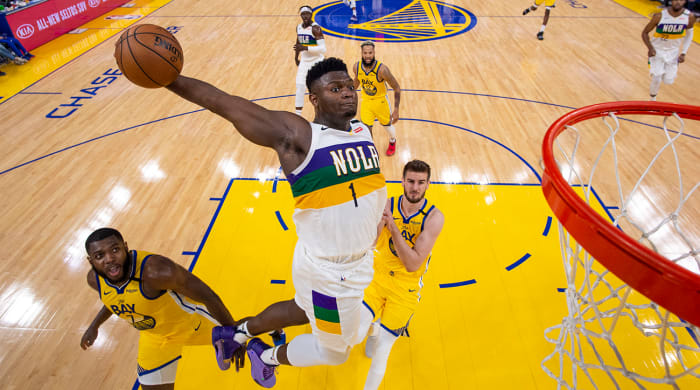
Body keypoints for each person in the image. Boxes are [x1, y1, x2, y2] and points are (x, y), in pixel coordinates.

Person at [130, 57, 387, 388]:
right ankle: (264, 356)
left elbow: (368, 188)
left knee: (301, 308)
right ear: (314, 99)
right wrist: (168, 78)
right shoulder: (298, 135)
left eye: (350, 87)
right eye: (336, 89)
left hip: (340, 261)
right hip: (332, 275)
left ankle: (234, 333)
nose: (349, 93)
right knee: (335, 351)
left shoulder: (362, 131)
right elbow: (224, 104)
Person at [80, 228, 244, 389]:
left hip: (193, 324)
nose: (109, 259)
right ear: (91, 261)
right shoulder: (95, 280)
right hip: (155, 338)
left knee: (249, 332)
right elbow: (116, 299)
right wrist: (94, 325)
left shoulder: (157, 271)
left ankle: (252, 336)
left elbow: (208, 296)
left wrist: (235, 335)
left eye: (115, 250)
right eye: (100, 256)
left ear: (126, 247)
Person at [362, 160, 444, 390]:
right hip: (377, 277)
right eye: (410, 181)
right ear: (402, 181)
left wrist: (394, 228)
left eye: (420, 182)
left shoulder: (434, 218)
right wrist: (376, 220)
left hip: (405, 289)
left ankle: (377, 327)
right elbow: (370, 243)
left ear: (428, 184)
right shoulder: (387, 204)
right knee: (354, 332)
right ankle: (373, 326)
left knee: (381, 352)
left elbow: (413, 264)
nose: (415, 187)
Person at [352, 41, 401, 156]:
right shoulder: (356, 67)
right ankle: (371, 150)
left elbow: (397, 87)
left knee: (387, 126)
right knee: (366, 128)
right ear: (361, 53)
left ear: (374, 53)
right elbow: (357, 80)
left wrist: (396, 109)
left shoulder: (382, 70)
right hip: (366, 102)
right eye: (365, 53)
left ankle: (392, 140)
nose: (368, 56)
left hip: (381, 102)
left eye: (370, 53)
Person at [642, 0, 696, 101]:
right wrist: (650, 48)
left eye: (681, 0)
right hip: (657, 50)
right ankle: (652, 99)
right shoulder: (659, 16)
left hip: (673, 52)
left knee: (668, 80)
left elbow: (689, 35)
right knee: (657, 76)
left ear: (685, 1)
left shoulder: (689, 17)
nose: (678, 2)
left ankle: (663, 72)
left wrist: (684, 52)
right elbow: (644, 33)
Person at [294, 5, 326, 116]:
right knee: (300, 86)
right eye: (303, 14)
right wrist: (296, 57)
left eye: (307, 13)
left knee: (318, 90)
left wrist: (305, 48)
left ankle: (323, 115)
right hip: (304, 61)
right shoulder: (299, 27)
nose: (305, 16)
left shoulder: (315, 28)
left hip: (317, 62)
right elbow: (298, 42)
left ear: (311, 14)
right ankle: (298, 115)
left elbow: (323, 49)